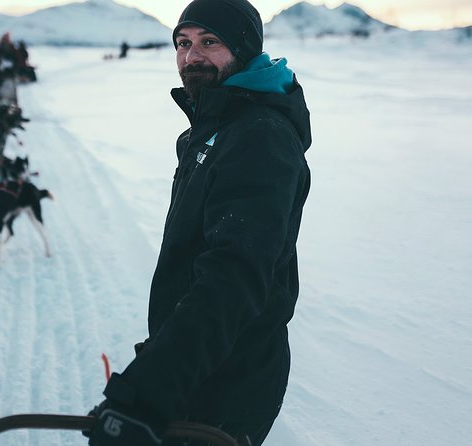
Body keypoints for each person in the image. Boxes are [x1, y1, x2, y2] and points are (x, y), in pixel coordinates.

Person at [85, 0, 312, 445]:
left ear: (244, 50)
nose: (192, 56)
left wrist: (150, 389)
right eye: (183, 43)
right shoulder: (205, 132)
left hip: (231, 378)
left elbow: (235, 274)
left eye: (210, 42)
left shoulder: (260, 136)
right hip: (199, 358)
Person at [0, 32, 22, 103]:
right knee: (1, 93)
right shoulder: (0, 50)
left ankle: (11, 108)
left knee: (11, 94)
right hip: (1, 76)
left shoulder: (12, 49)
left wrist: (12, 65)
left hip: (9, 75)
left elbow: (18, 61)